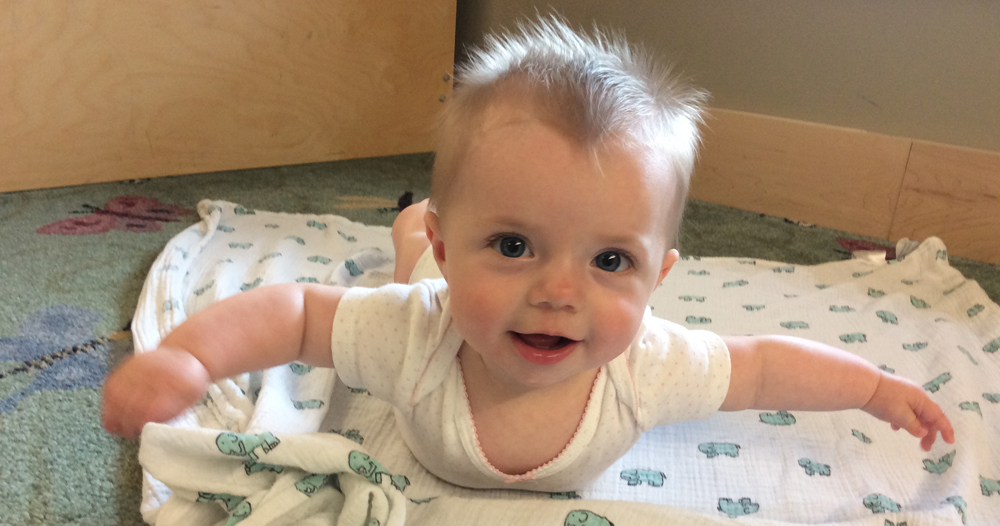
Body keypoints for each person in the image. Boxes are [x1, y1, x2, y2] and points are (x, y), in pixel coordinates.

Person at [102, 16, 954, 492]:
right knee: (417, 283)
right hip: (436, 290)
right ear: (459, 235)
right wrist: (187, 355)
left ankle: (437, 240)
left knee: (441, 280)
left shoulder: (648, 363)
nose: (558, 292)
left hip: (454, 274)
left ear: (660, 278)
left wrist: (875, 389)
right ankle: (410, 236)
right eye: (514, 244)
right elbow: (295, 313)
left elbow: (764, 368)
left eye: (610, 262)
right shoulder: (415, 332)